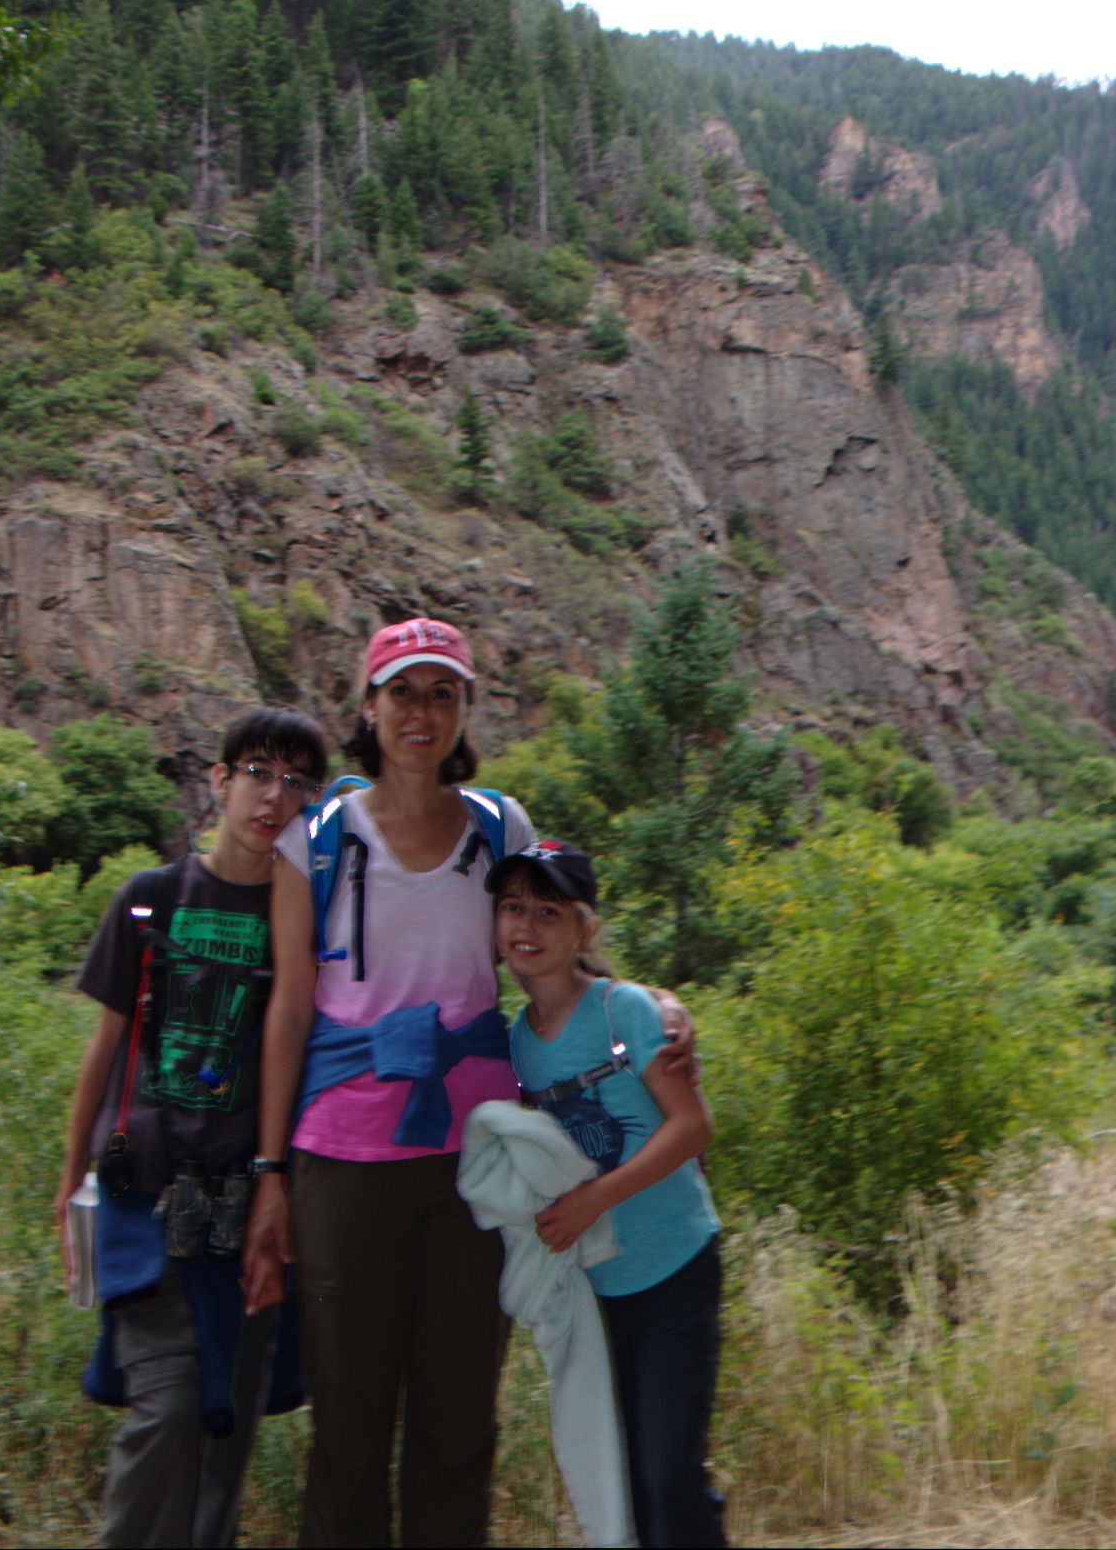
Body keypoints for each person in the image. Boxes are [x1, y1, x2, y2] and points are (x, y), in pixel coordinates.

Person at [243, 615, 695, 1548]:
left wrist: (643, 995)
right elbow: (287, 1010)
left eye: (442, 692)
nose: (421, 711)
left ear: (464, 710)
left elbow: (553, 938)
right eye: (403, 691)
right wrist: (269, 1173)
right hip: (343, 1152)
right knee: (350, 1425)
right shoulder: (317, 836)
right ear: (369, 706)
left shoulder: (499, 826)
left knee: (459, 1421)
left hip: (477, 1159)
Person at [54, 704, 327, 1550]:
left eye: (295, 782)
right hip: (146, 1189)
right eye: (257, 772)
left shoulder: (306, 918)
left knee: (226, 1426)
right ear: (219, 778)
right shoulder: (149, 900)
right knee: (168, 1403)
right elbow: (103, 1051)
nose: (273, 797)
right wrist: (68, 1186)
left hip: (245, 1202)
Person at [490, 838, 727, 1550]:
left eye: (548, 911)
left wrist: (595, 1198)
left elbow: (692, 1127)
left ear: (585, 929)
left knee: (667, 1474)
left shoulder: (626, 1012)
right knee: (623, 1478)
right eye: (512, 907)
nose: (526, 927)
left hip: (674, 1266)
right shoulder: (516, 1043)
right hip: (597, 1291)